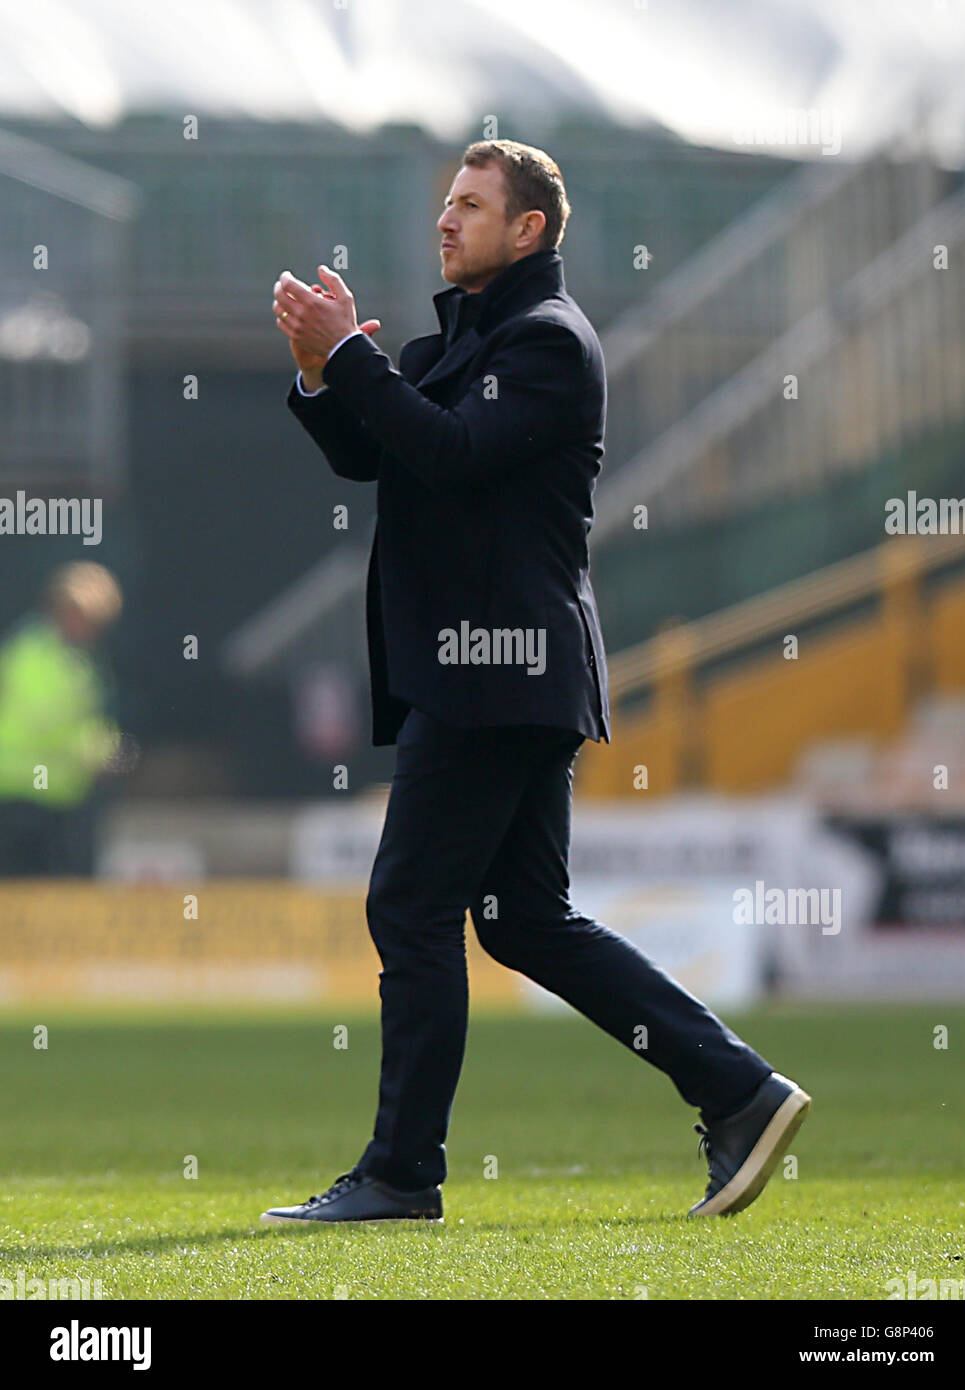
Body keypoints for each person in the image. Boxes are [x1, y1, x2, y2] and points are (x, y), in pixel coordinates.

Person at [263, 139, 810, 1225]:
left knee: (411, 903)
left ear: (529, 229)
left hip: (497, 669)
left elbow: (453, 453)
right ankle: (739, 1091)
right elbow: (376, 454)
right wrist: (325, 370)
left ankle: (401, 1173)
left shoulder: (549, 340)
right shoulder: (461, 338)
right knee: (521, 919)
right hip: (496, 672)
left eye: (471, 205)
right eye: (447, 201)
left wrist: (357, 359)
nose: (446, 218)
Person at [0, 562, 122, 876]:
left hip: (60, 798)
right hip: (20, 796)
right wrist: (96, 750)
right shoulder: (32, 653)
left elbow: (84, 719)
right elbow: (44, 720)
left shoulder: (80, 659)